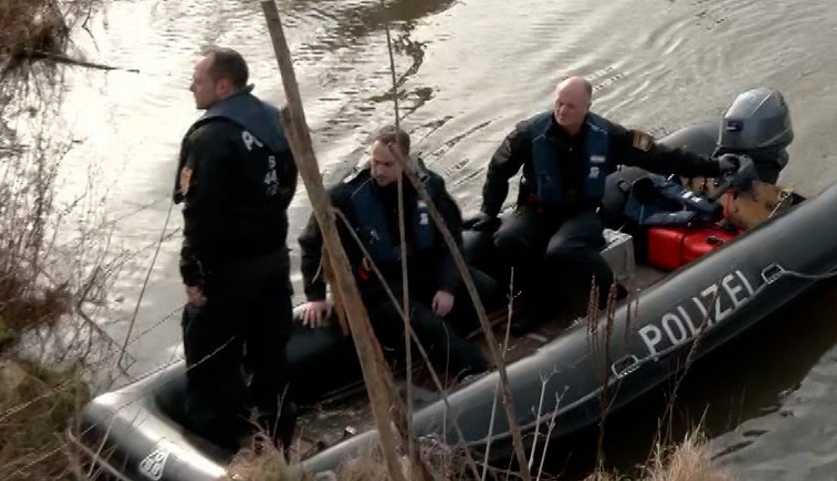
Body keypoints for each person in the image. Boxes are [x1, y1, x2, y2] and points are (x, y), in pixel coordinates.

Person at [480, 76, 724, 315]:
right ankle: (540, 298)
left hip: (583, 212)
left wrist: (713, 167)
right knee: (507, 239)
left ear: (587, 107)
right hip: (537, 208)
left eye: (571, 106)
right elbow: (498, 169)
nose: (562, 111)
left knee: (563, 249)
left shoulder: (608, 135)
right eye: (559, 103)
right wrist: (489, 211)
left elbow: (660, 156)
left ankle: (613, 293)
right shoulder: (529, 133)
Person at [295, 127, 497, 384]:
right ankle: (478, 369)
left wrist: (447, 287)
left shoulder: (430, 187)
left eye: (387, 165)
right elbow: (312, 243)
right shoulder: (345, 196)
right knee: (427, 324)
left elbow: (451, 240)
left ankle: (434, 346)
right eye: (375, 162)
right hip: (377, 284)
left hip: (420, 269)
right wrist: (314, 295)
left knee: (485, 288)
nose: (378, 171)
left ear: (406, 160)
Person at [174, 48, 299, 454]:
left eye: (198, 78)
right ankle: (279, 440)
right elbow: (287, 186)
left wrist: (193, 273)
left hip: (228, 271)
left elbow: (201, 214)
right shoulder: (273, 120)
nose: (191, 84)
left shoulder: (211, 137)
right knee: (271, 356)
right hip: (272, 259)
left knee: (211, 360)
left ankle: (215, 449)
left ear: (223, 85)